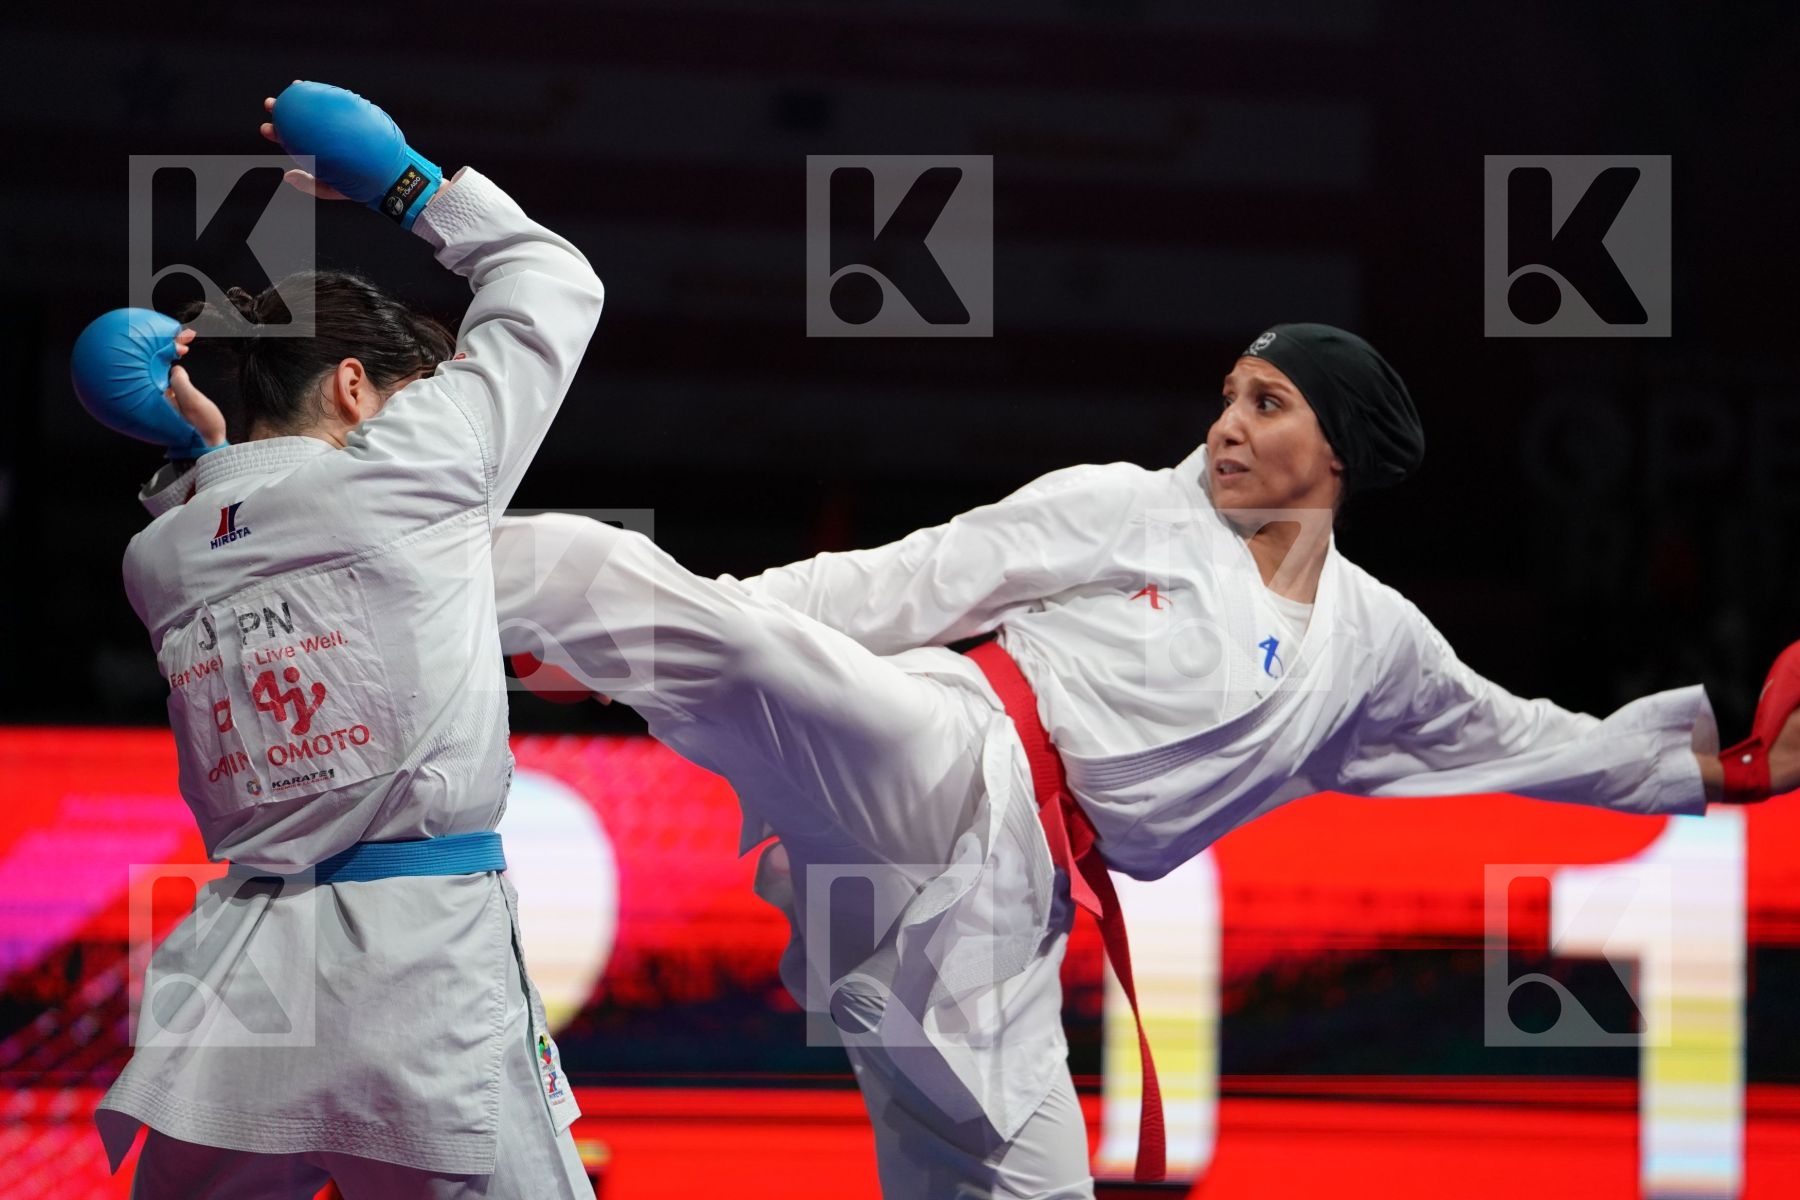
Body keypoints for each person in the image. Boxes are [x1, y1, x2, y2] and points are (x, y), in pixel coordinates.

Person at [115, 299, 1800, 1190]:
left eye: (1268, 403)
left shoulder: (1376, 650)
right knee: (645, 589)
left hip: (1008, 914)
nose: (1227, 418)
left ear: (1341, 451)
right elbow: (901, 583)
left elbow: (1517, 746)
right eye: (1226, 390)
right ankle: (348, 550)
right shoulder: (1118, 506)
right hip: (944, 752)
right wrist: (720, 627)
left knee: (1005, 1178)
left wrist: (1706, 766)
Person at [72, 81, 604, 1198]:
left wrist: (188, 443)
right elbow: (556, 280)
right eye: (418, 386)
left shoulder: (157, 560)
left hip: (239, 987)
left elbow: (228, 515)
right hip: (421, 968)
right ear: (359, 387)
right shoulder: (413, 471)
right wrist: (404, 180)